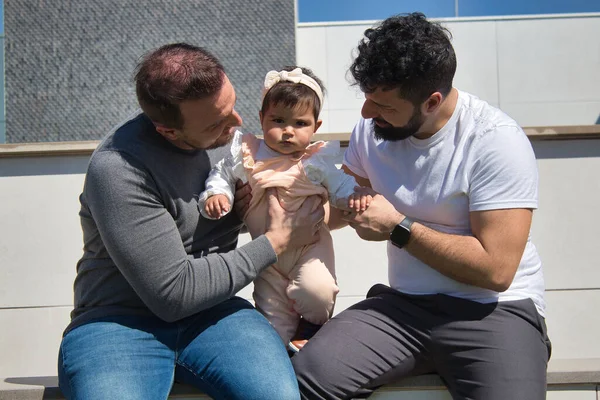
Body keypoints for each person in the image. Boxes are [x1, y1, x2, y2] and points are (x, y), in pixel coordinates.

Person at [292, 12, 551, 400]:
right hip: (405, 309)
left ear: (432, 101)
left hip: (493, 312)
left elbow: (497, 270)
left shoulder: (496, 142)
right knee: (300, 381)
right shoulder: (372, 131)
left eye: (382, 105)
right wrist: (276, 210)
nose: (366, 114)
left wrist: (398, 228)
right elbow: (345, 207)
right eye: (366, 98)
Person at [57, 43, 326, 400]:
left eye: (232, 105)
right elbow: (173, 294)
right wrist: (275, 242)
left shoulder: (225, 139)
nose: (237, 124)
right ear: (169, 131)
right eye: (219, 121)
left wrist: (247, 215)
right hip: (119, 322)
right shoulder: (119, 168)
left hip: (214, 314)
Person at [198, 66, 370, 352]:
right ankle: (280, 356)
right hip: (267, 254)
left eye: (300, 124)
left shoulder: (316, 161)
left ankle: (313, 326)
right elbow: (222, 174)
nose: (288, 131)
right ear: (262, 119)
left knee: (318, 291)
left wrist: (356, 196)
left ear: (316, 126)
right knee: (271, 321)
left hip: (311, 248)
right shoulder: (247, 153)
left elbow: (341, 186)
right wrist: (217, 195)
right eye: (278, 120)